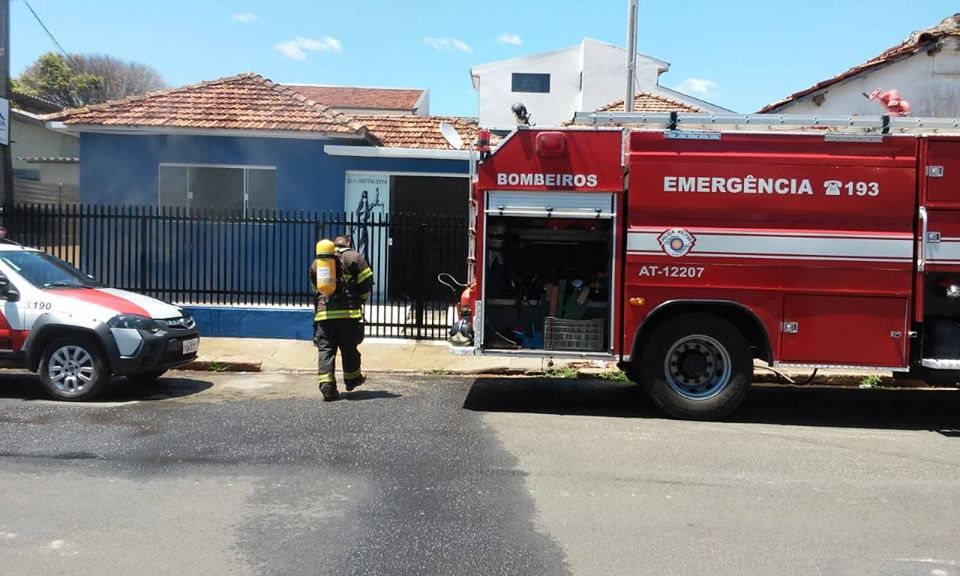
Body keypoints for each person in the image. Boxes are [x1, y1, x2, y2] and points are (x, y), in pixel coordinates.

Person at [309, 235, 374, 401]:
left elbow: (315, 286)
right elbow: (366, 282)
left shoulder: (319, 261)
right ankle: (352, 379)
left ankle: (327, 387)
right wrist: (360, 300)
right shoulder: (354, 257)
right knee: (349, 348)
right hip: (348, 314)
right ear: (348, 243)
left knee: (326, 350)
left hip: (324, 315)